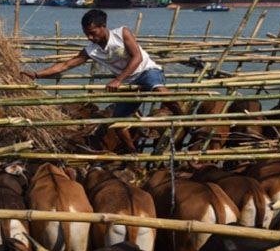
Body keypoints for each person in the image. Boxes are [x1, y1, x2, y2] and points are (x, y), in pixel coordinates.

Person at [23, 9, 181, 153]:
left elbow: (137, 57)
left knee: (162, 92)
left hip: (146, 71)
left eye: (92, 33)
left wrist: (118, 80)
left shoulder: (122, 33)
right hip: (128, 83)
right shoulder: (91, 49)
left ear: (103, 26)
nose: (90, 37)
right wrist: (36, 75)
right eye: (87, 34)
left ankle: (186, 121)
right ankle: (133, 153)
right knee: (118, 122)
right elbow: (66, 65)